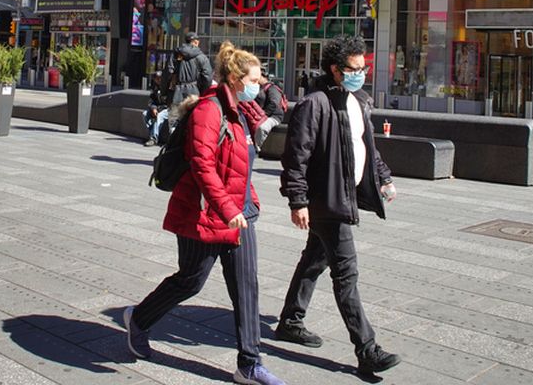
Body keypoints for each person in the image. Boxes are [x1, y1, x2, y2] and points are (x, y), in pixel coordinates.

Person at [124, 43, 286, 385]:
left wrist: (242, 206)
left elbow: (263, 134)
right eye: (256, 79)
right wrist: (226, 207)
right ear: (235, 79)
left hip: (240, 211)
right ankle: (138, 319)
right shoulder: (208, 111)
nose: (262, 85)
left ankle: (250, 363)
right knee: (190, 281)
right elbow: (201, 164)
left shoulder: (243, 109)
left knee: (246, 287)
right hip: (204, 212)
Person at [276, 36, 400, 378]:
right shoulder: (314, 104)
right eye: (355, 69)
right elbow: (295, 157)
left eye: (364, 68)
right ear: (335, 69)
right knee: (347, 274)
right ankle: (367, 348)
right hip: (326, 201)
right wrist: (297, 200)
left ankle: (290, 320)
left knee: (315, 258)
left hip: (342, 196)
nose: (362, 74)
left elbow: (365, 146)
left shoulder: (357, 100)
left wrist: (383, 177)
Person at [167, 32, 213, 106]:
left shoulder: (175, 54)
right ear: (196, 42)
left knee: (175, 116)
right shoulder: (202, 57)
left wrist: (165, 93)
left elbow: (168, 74)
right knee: (192, 116)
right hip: (194, 94)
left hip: (177, 93)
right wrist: (202, 93)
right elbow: (208, 78)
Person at [253, 71, 286, 147]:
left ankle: (256, 147)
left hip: (273, 116)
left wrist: (264, 114)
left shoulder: (272, 88)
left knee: (262, 127)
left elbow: (274, 103)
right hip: (261, 115)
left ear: (263, 77)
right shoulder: (258, 87)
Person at [143, 71, 171, 146]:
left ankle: (154, 138)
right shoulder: (155, 88)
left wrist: (159, 109)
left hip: (168, 109)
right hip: (158, 108)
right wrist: (153, 108)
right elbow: (151, 101)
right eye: (156, 79)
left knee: (159, 116)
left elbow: (170, 102)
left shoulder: (169, 87)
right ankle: (152, 134)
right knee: (145, 114)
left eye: (160, 78)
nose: (158, 80)